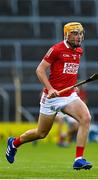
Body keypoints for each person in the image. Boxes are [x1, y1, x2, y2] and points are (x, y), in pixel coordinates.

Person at [6, 22, 93, 170]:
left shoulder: (79, 51)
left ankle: (79, 159)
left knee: (86, 118)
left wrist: (72, 86)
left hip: (69, 96)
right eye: (75, 33)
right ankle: (14, 143)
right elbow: (40, 70)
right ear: (67, 35)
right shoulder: (56, 49)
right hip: (51, 98)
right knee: (41, 133)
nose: (79, 37)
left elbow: (67, 71)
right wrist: (50, 88)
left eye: (80, 33)